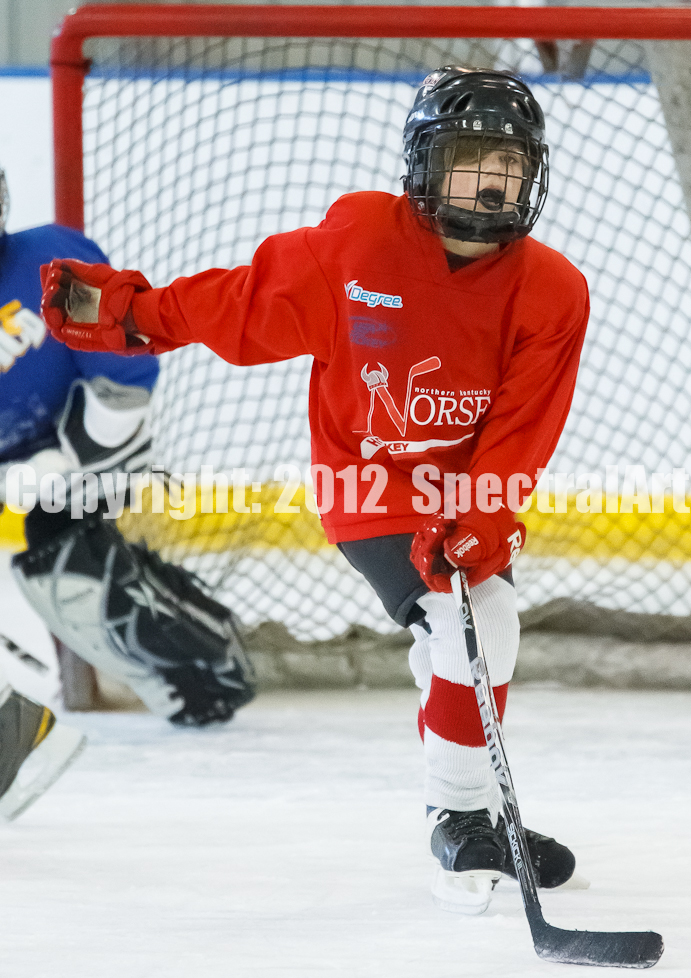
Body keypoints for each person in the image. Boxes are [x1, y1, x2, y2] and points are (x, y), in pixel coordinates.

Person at [40, 68, 588, 912]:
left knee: (478, 629)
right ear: (424, 165)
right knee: (469, 621)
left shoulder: (552, 289)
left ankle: (474, 812)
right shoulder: (359, 243)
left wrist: (481, 516)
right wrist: (133, 314)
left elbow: (524, 427)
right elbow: (240, 302)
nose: (492, 180)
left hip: (461, 493)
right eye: (471, 157)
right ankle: (459, 816)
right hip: (366, 484)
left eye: (510, 162)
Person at [0, 162, 255, 780]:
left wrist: (67, 461)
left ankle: (197, 662)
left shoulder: (52, 260)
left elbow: (123, 377)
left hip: (84, 449)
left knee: (68, 568)